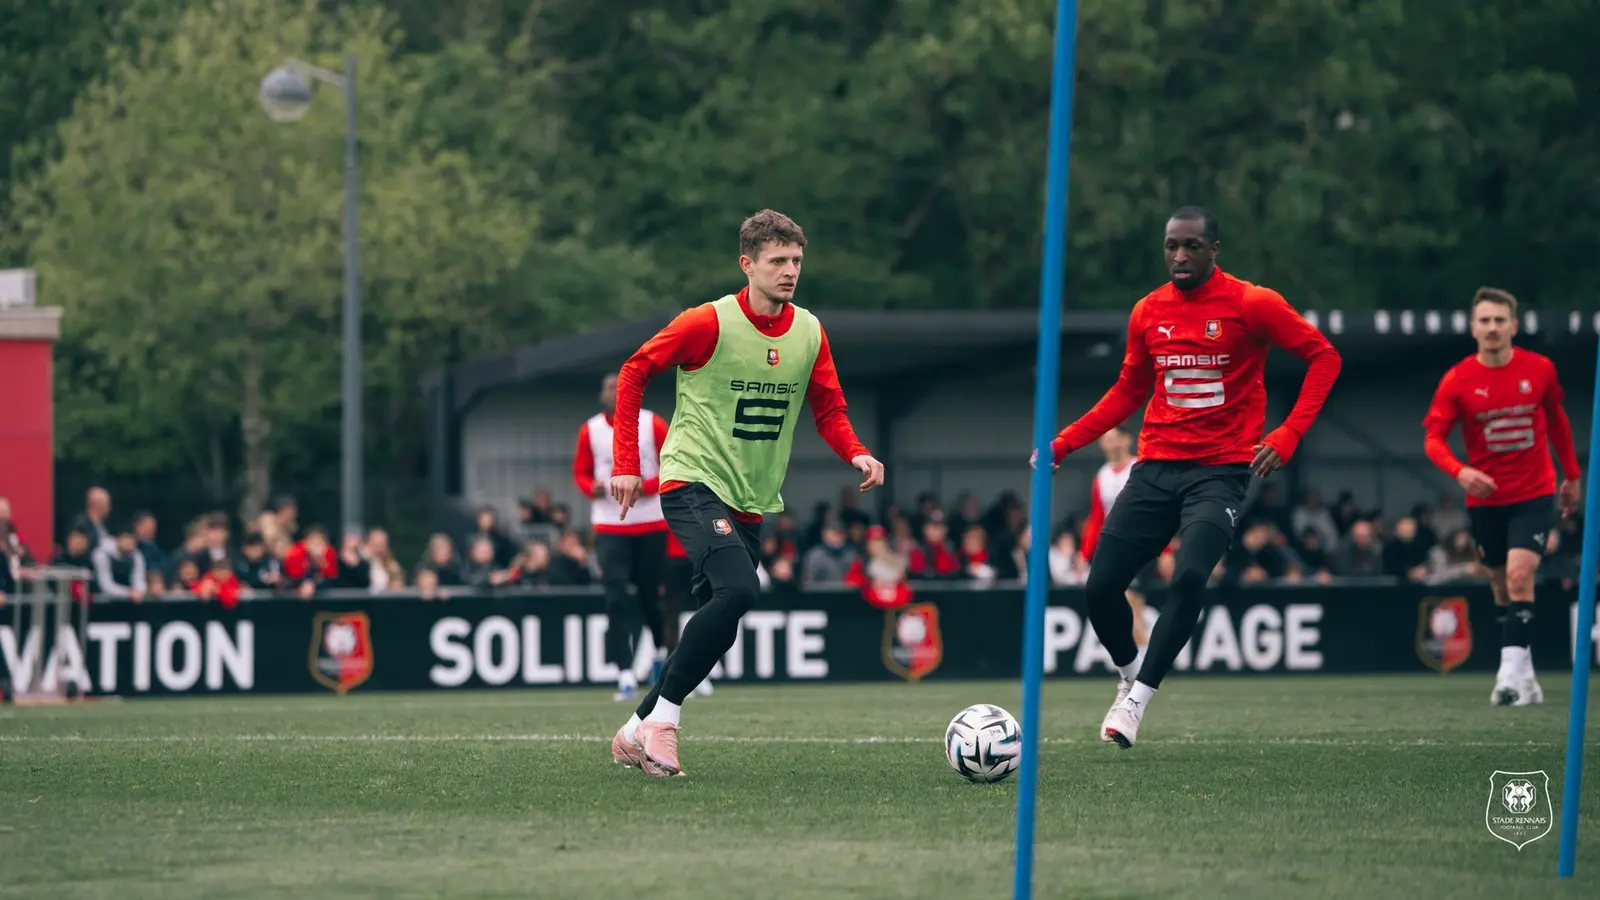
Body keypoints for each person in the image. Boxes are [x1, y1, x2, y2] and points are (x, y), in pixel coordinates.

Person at [1032, 206, 1341, 748]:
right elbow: (1128, 392)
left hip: (1220, 470)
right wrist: (1063, 443)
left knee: (1190, 576)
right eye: (1172, 245)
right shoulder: (1148, 311)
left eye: (1192, 246)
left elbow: (1324, 357)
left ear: (1214, 250)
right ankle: (1128, 677)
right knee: (1100, 588)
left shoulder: (1253, 303)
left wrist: (1289, 433)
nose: (1179, 255)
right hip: (1155, 468)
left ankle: (1137, 702)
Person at [607, 209, 884, 776]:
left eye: (796, 261)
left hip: (751, 498)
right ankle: (665, 724)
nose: (789, 272)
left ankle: (635, 728)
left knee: (724, 613)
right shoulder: (706, 322)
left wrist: (855, 449)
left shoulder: (809, 330)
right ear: (747, 264)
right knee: (740, 590)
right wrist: (628, 463)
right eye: (777, 261)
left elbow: (828, 407)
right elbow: (634, 371)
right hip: (691, 479)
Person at [1421, 287, 1580, 707]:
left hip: (1535, 492)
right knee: (1498, 585)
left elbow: (1558, 423)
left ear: (1514, 325)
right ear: (1473, 328)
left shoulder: (1540, 369)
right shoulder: (1457, 380)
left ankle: (1506, 677)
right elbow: (1433, 440)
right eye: (1485, 321)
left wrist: (1573, 475)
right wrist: (1461, 472)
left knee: (1518, 576)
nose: (1492, 328)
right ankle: (1525, 676)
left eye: (1499, 320)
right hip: (1486, 501)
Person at [574, 372, 671, 701]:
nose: (615, 394)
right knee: (615, 595)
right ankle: (625, 673)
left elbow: (675, 464)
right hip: (609, 524)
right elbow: (581, 473)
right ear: (602, 396)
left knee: (649, 597)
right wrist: (593, 489)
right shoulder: (591, 430)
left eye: (621, 388)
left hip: (650, 521)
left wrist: (647, 486)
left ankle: (659, 655)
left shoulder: (652, 424)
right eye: (609, 389)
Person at [1079, 426, 1149, 648]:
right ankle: (1145, 660)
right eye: (1105, 439)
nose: (1110, 443)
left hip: (1141, 545)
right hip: (1116, 548)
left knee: (1131, 602)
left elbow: (1156, 510)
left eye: (1114, 437)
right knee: (1131, 606)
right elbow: (1097, 518)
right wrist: (1085, 553)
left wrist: (1165, 550)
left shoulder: (1139, 469)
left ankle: (1146, 663)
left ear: (1127, 439)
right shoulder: (1102, 476)